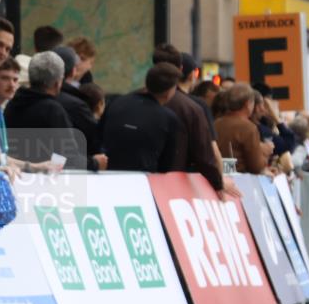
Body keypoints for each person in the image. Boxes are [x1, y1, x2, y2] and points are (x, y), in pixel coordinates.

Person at [151, 44, 234, 199]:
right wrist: (219, 182)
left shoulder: (137, 100)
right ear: (190, 75)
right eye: (196, 72)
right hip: (183, 185)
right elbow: (211, 150)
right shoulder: (194, 106)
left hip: (148, 182)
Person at [4, 51, 89, 169]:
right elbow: (69, 156)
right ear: (57, 83)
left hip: (14, 176)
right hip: (45, 180)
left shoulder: (11, 105)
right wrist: (94, 163)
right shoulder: (53, 110)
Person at [100, 63, 180, 173]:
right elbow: (166, 164)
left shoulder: (116, 102)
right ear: (169, 92)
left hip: (107, 176)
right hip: (143, 181)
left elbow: (98, 138)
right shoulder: (168, 118)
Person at [214, 83, 268, 174]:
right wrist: (264, 155)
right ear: (248, 104)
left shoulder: (215, 124)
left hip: (217, 180)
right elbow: (256, 167)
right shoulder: (249, 128)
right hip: (241, 182)